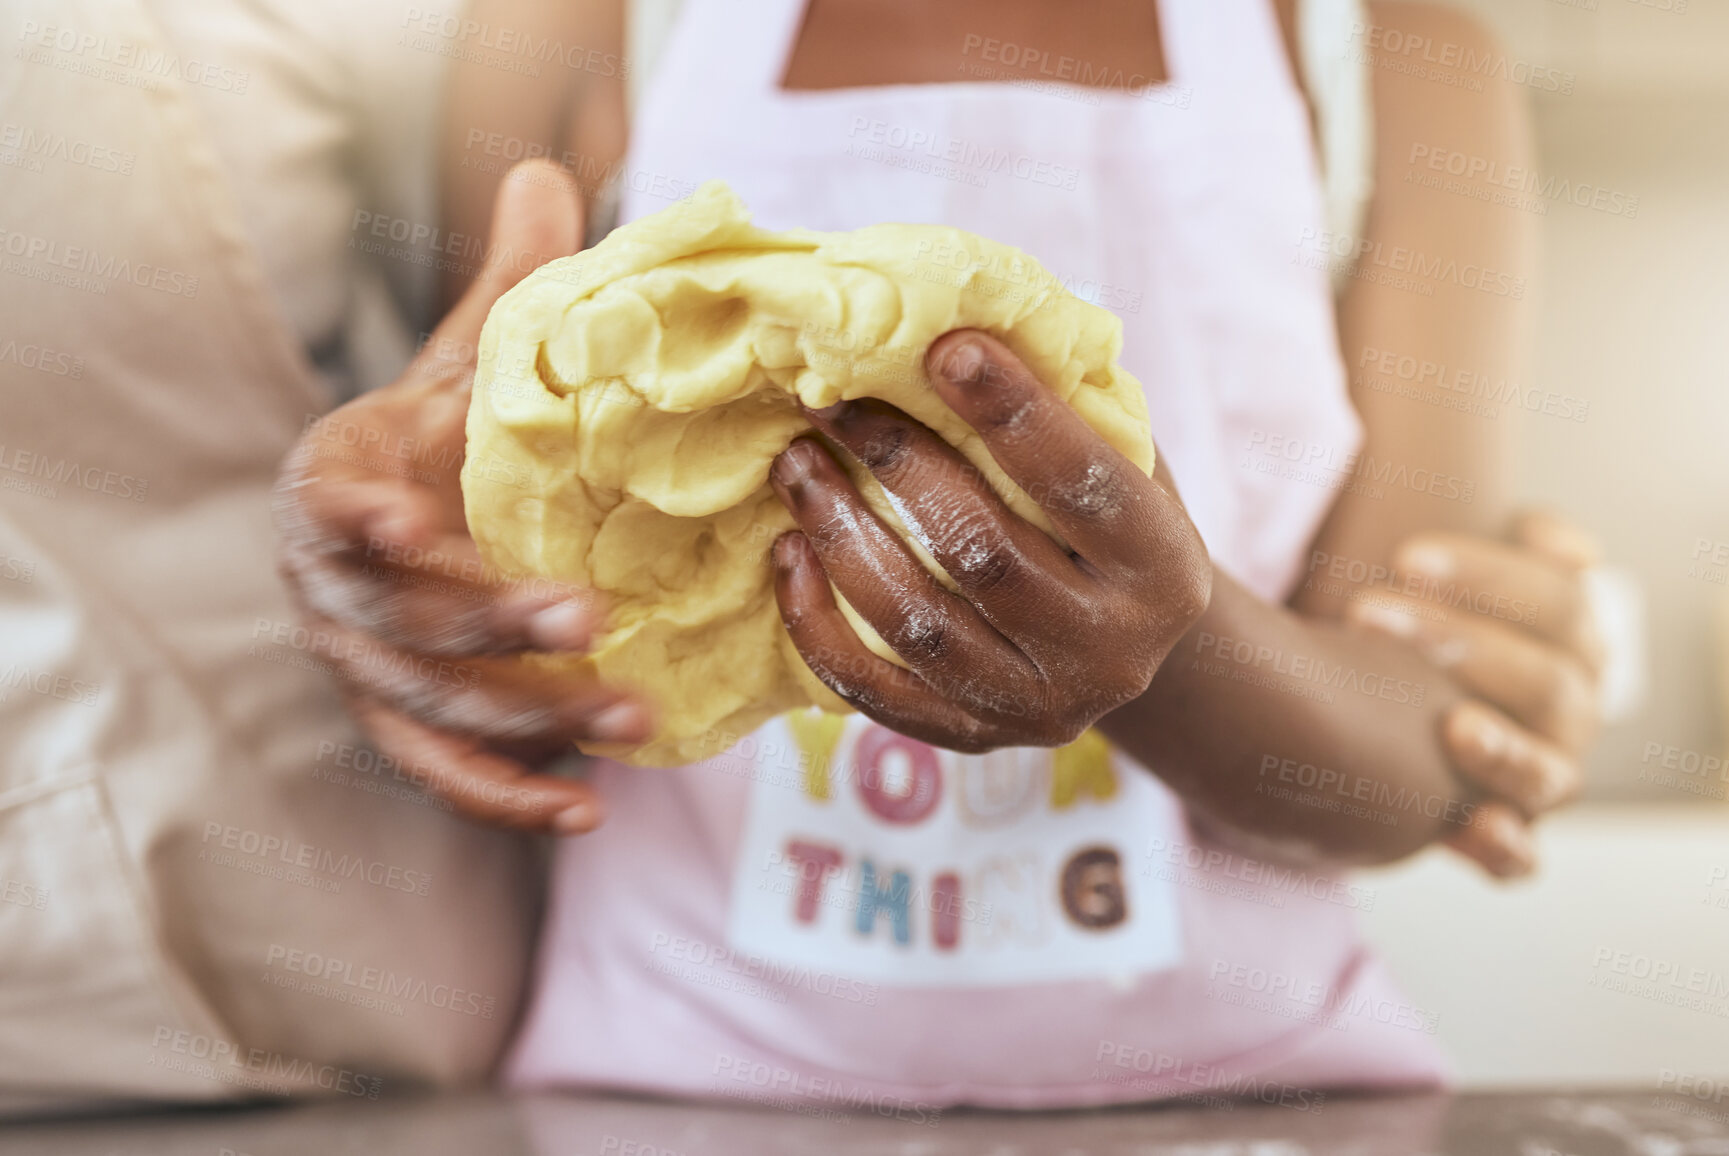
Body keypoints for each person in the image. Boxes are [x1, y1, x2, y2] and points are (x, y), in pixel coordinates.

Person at [275, 0, 1608, 1107]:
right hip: (672, 1090)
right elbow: (540, 636)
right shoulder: (580, 35)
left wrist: (1165, 643)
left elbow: (1406, 760)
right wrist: (426, 597)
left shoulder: (1393, 60)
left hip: (1245, 1094)